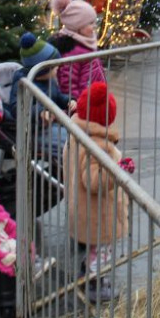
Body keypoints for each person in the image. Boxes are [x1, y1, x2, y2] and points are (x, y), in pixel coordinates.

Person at [65, 82, 129, 303]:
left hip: (83, 210)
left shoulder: (76, 132)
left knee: (95, 248)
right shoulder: (98, 145)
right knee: (102, 251)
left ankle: (87, 272)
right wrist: (117, 171)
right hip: (100, 212)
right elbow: (93, 181)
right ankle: (94, 283)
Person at [8, 32, 77, 159]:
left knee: (77, 137)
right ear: (42, 69)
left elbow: (57, 96)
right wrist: (40, 112)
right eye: (54, 66)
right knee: (71, 144)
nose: (58, 68)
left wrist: (69, 100)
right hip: (35, 131)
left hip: (51, 126)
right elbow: (17, 107)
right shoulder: (24, 83)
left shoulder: (49, 81)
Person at [49, 0, 107, 99]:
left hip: (93, 98)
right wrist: (75, 103)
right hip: (81, 104)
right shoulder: (72, 50)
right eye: (90, 23)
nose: (94, 26)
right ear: (77, 26)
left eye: (94, 22)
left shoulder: (85, 42)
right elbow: (68, 83)